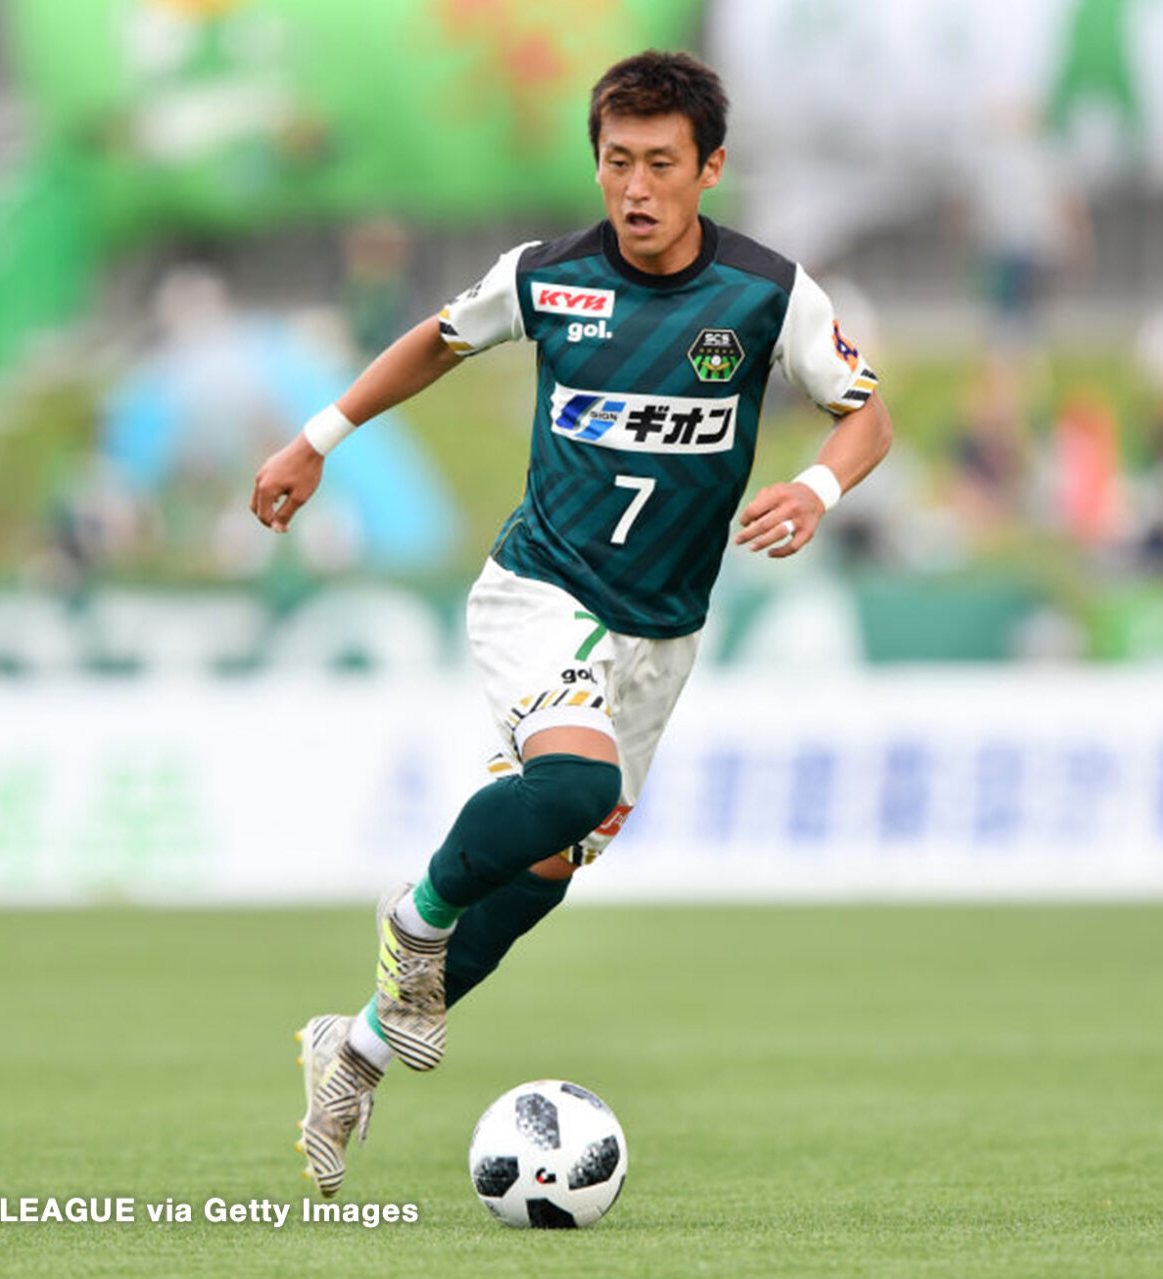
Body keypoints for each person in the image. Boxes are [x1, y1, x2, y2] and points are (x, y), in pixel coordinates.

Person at [249, 50, 893, 1199]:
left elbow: (865, 417)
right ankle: (415, 915)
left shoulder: (767, 294)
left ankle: (349, 1050)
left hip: (661, 636)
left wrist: (818, 488)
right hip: (541, 593)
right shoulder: (550, 277)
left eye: (659, 165)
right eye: (615, 163)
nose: (635, 189)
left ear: (710, 168)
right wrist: (316, 437)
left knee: (547, 868)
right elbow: (437, 342)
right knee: (574, 786)